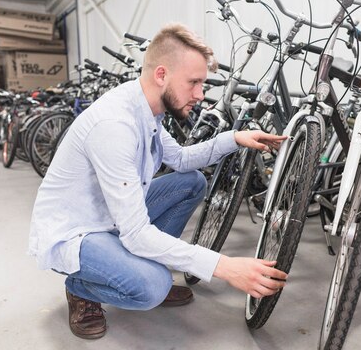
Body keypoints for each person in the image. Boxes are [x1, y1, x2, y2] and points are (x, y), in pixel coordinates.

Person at [28, 23, 288, 340]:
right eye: (193, 83)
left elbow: (180, 158)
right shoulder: (116, 126)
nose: (200, 95)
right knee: (152, 287)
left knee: (191, 182)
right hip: (77, 231)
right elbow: (136, 234)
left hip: (110, 218)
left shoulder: (147, 109)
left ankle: (139, 267)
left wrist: (235, 138)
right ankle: (81, 288)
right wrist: (225, 267)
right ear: (161, 75)